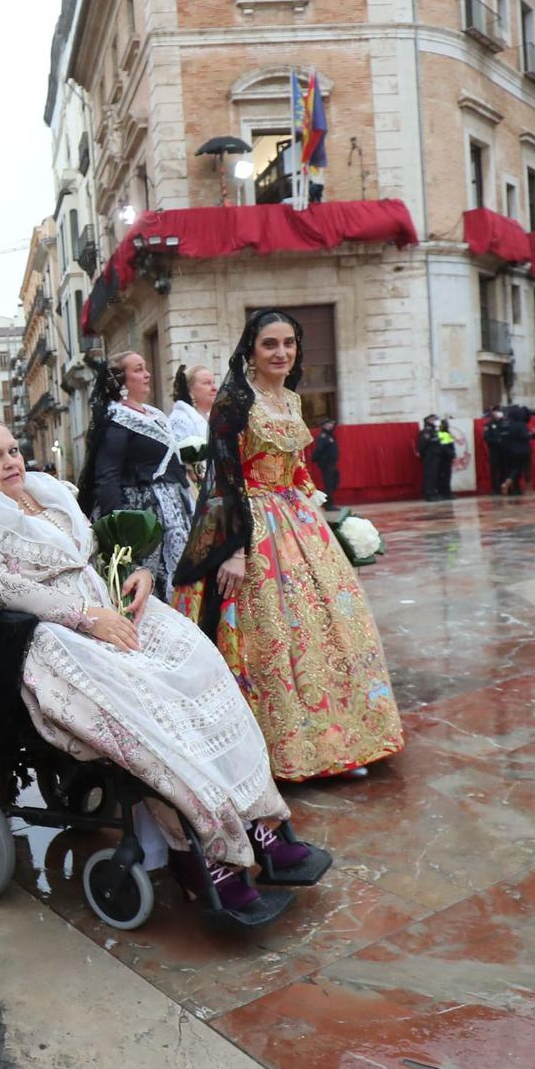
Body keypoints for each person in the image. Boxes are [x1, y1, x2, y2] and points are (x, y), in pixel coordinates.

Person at [0, 419, 328, 925]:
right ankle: (201, 849)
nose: (12, 462)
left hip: (106, 613)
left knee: (198, 668)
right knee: (154, 709)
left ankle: (256, 820)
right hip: (49, 638)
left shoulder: (48, 494)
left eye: (14, 450)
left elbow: (93, 554)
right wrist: (86, 617)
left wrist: (135, 572)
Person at [174, 309, 405, 781]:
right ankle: (282, 749)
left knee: (330, 627)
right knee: (276, 637)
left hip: (298, 521)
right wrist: (235, 549)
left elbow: (298, 469)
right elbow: (224, 477)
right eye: (270, 345)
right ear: (251, 351)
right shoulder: (234, 401)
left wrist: (314, 512)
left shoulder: (293, 401)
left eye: (289, 344)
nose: (281, 353)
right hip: (253, 524)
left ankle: (345, 738)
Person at [82, 351, 193, 590]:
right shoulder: (117, 420)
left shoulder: (153, 415)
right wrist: (119, 530)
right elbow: (107, 476)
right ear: (122, 381)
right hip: (143, 515)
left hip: (172, 511)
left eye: (145, 368)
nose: (147, 374)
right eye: (139, 369)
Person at [168, 363, 219, 444]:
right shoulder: (181, 420)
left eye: (214, 382)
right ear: (190, 391)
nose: (215, 388)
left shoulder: (214, 417)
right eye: (207, 383)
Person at [501, 405, 534, 495]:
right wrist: (531, 433)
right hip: (524, 450)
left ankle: (507, 483)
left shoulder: (510, 425)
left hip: (513, 450)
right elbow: (525, 436)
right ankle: (528, 490)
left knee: (516, 469)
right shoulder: (522, 425)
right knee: (527, 469)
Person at [309, 418, 341, 497]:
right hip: (326, 463)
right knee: (329, 483)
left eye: (332, 424)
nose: (331, 425)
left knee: (335, 479)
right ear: (324, 425)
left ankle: (327, 499)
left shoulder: (330, 436)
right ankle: (328, 503)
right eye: (329, 424)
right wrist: (314, 458)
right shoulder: (322, 437)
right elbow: (319, 449)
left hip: (332, 463)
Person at [415, 414, 442, 500]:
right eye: (434, 419)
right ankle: (429, 494)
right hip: (430, 457)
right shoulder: (426, 431)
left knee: (434, 475)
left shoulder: (434, 431)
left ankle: (434, 492)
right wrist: (425, 455)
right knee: (429, 476)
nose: (436, 421)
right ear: (429, 421)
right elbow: (422, 445)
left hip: (436, 456)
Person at [431, 416, 457, 500]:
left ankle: (447, 492)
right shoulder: (440, 434)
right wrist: (451, 454)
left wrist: (453, 454)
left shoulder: (446, 434)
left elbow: (450, 446)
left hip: (447, 458)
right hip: (442, 459)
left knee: (447, 477)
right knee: (442, 476)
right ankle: (443, 493)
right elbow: (444, 447)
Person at [483, 409, 507, 495]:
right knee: (494, 471)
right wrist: (496, 441)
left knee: (504, 470)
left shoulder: (504, 424)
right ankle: (495, 489)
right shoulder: (488, 425)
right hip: (494, 451)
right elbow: (486, 438)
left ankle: (504, 487)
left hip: (504, 451)